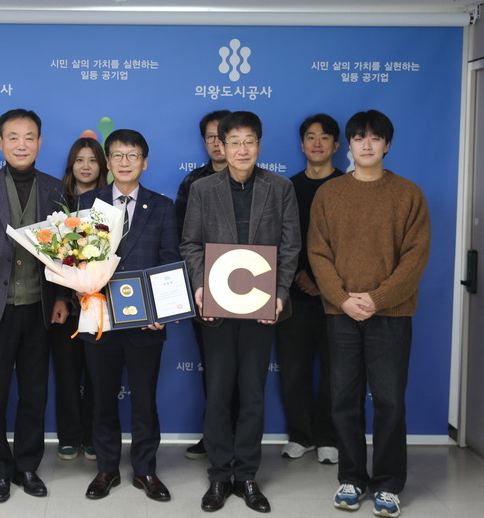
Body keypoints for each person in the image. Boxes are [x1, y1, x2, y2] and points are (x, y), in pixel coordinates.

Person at [308, 110, 430, 518]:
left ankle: (389, 484)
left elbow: (415, 257)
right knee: (344, 400)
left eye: (375, 138)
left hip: (391, 315)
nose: (366, 144)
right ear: (349, 144)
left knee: (390, 401)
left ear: (387, 145)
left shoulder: (408, 194)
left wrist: (377, 299)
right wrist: (342, 298)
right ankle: (352, 478)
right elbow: (318, 253)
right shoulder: (330, 194)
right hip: (340, 313)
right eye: (359, 138)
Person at [180, 111, 300, 513]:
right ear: (222, 145)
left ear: (259, 145)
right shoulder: (202, 189)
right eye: (234, 142)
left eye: (249, 141)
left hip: (262, 308)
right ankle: (218, 476)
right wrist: (201, 287)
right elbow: (190, 244)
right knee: (217, 393)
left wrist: (279, 293)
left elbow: (290, 246)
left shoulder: (280, 188)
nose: (242, 149)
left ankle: (247, 475)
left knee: (252, 394)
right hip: (215, 307)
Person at [0, 109, 69, 503]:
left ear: (40, 142)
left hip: (39, 308)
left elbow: (65, 251)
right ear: (1, 142)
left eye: (29, 137)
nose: (22, 144)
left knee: (34, 394)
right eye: (13, 137)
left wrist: (61, 297)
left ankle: (26, 466)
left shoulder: (55, 187)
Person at [79, 129, 179, 502]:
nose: (125, 162)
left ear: (144, 162)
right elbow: (75, 258)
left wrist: (161, 309)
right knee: (102, 398)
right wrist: (79, 288)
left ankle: (145, 469)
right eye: (118, 155)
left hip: (145, 322)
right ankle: (106, 468)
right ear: (108, 162)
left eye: (132, 155)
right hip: (100, 318)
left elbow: (169, 260)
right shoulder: (87, 203)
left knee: (144, 400)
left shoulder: (162, 206)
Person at [276, 114, 344, 465]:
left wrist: (324, 281)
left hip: (338, 296)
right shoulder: (286, 188)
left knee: (336, 372)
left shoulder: (347, 186)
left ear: (336, 145)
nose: (317, 143)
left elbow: (351, 245)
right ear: (302, 145)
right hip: (293, 292)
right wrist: (299, 275)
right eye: (311, 137)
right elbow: (280, 239)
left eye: (325, 137)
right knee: (294, 371)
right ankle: (300, 435)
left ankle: (328, 437)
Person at [174, 109, 230, 460]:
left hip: (251, 289)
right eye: (211, 137)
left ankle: (241, 441)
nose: (217, 143)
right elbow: (184, 239)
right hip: (204, 290)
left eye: (224, 136)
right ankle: (214, 438)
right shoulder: (194, 182)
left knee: (246, 373)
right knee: (214, 368)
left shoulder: (263, 183)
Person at [50, 137, 108, 461]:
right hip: (66, 306)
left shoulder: (112, 206)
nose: (86, 166)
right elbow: (52, 258)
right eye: (80, 160)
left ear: (102, 165)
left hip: (101, 303)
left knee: (100, 376)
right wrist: (63, 294)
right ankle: (69, 435)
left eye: (92, 160)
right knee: (67, 373)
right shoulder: (58, 203)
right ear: (71, 165)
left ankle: (94, 435)